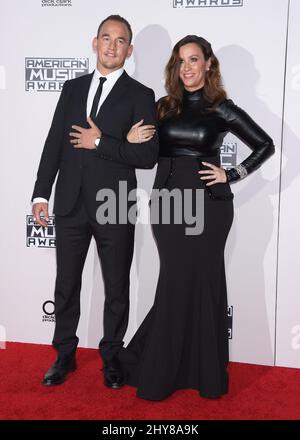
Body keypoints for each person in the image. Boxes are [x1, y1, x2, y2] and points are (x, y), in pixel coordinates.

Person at [121, 35, 275, 400]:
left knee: (204, 281)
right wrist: (129, 139)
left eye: (194, 60)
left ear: (209, 64)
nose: (187, 68)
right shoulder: (163, 108)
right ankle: (164, 367)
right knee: (175, 281)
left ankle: (202, 371)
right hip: (169, 203)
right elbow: (143, 154)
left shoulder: (222, 108)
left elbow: (266, 144)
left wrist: (233, 173)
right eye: (181, 61)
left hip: (210, 204)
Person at [32, 15, 159, 388]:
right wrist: (41, 192)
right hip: (70, 203)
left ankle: (112, 357)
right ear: (95, 42)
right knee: (66, 284)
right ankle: (64, 354)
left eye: (121, 41)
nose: (112, 46)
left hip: (115, 205)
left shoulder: (141, 96)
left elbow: (148, 156)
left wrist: (102, 142)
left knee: (116, 287)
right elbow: (54, 143)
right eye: (106, 38)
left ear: (129, 50)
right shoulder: (72, 89)